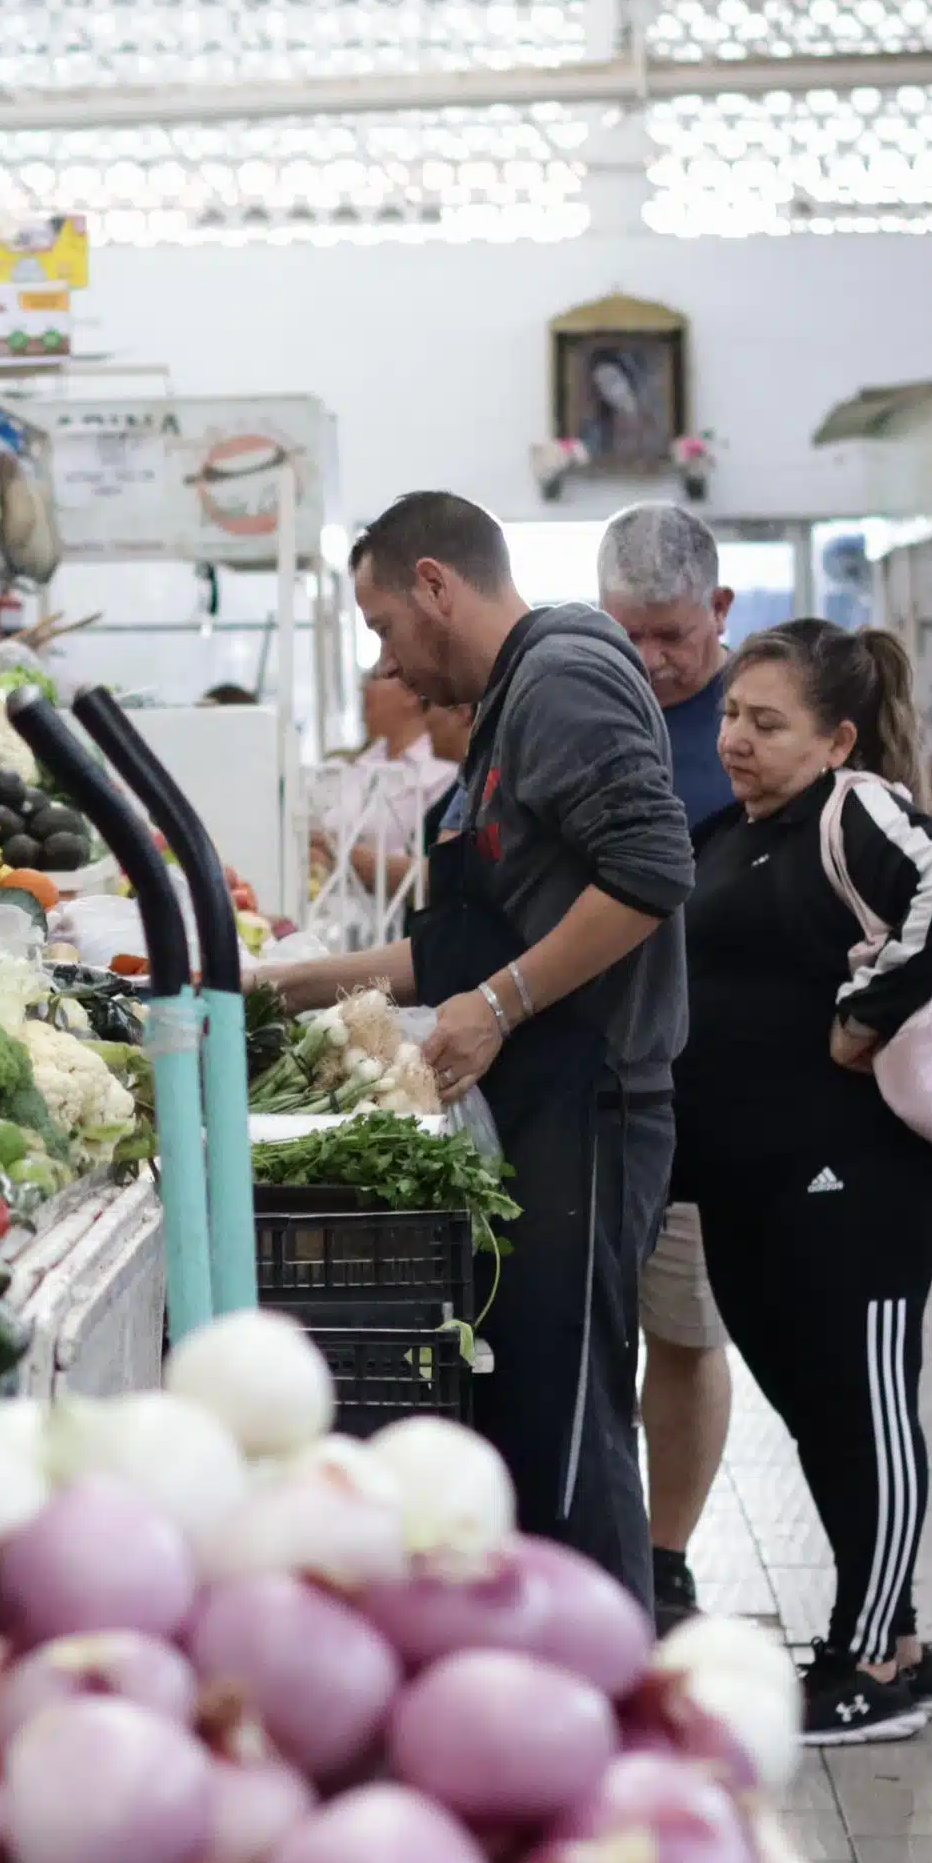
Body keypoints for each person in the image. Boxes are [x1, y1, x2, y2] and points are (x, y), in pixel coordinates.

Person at [255, 490, 691, 1599]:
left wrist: (497, 1005)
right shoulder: (509, 708)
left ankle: (612, 1691)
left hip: (589, 1100)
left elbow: (650, 868)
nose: (387, 662)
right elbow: (460, 941)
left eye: (383, 624)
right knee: (533, 1405)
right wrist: (287, 983)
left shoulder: (564, 676)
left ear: (435, 584)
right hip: (539, 1104)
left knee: (572, 1420)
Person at [676, 620, 932, 1745]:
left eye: (765, 723)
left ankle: (867, 1650)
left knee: (864, 1409)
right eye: (730, 714)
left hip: (855, 1179)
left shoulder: (849, 808)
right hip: (751, 1183)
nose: (734, 738)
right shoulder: (735, 831)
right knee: (820, 1416)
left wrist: (867, 1016)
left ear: (835, 740)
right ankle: (899, 1644)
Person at [598, 504, 739, 1630]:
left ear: (720, 613)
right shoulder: (587, 701)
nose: (648, 659)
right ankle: (597, 1530)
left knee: (683, 1325)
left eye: (671, 635)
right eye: (625, 631)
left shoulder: (764, 720)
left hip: (719, 1079)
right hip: (594, 1069)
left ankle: (667, 1549)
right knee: (593, 1314)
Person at [306, 659, 469, 950]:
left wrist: (337, 852)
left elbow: (441, 873)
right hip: (340, 924)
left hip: (398, 929)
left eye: (376, 677)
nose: (363, 687)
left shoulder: (444, 773)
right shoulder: (352, 766)